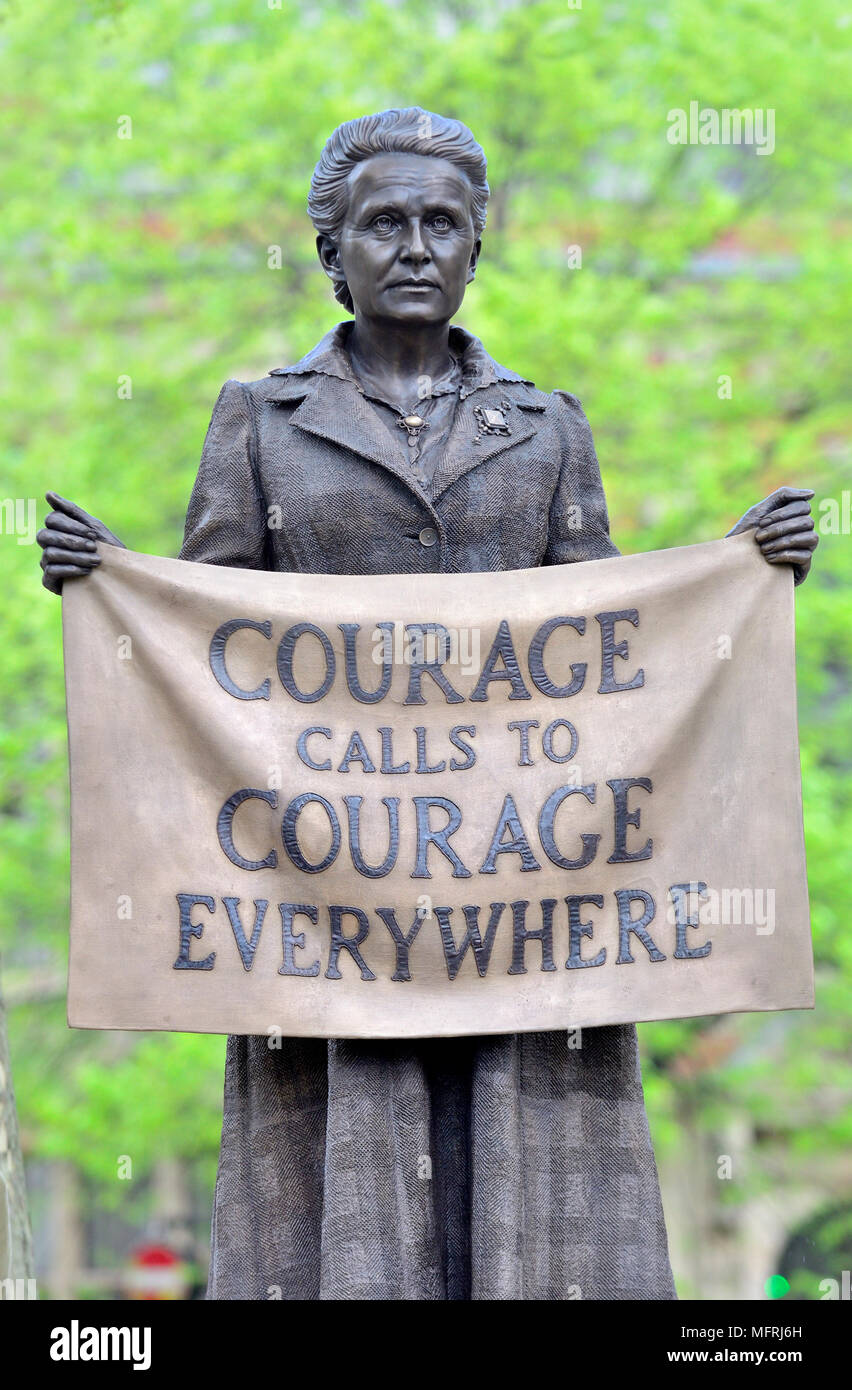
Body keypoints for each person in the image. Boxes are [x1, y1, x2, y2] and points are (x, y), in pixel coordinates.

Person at [37, 107, 818, 1300]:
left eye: (441, 224)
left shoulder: (549, 426)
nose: (414, 246)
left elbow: (616, 653)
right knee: (348, 1213)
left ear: (476, 248)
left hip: (530, 917)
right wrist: (113, 588)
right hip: (327, 921)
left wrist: (734, 574)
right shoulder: (261, 419)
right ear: (331, 251)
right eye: (384, 223)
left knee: (532, 1212)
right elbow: (208, 644)